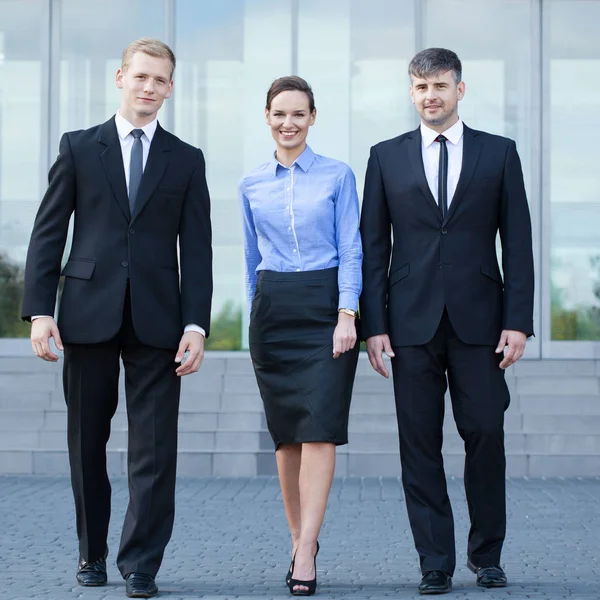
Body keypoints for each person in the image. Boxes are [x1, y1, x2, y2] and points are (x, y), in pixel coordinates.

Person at [21, 38, 212, 599]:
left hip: (160, 320)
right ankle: (92, 553)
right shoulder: (80, 147)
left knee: (156, 448)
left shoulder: (187, 158)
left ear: (171, 88)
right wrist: (39, 311)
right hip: (86, 314)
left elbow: (196, 250)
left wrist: (196, 325)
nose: (150, 87)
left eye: (161, 80)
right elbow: (48, 231)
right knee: (86, 443)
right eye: (142, 76)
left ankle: (142, 562)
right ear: (121, 77)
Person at [360, 48, 534, 595]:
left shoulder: (499, 153)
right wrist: (375, 323)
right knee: (419, 444)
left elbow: (519, 242)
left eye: (438, 85)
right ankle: (434, 559)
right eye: (419, 87)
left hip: (481, 324)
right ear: (410, 93)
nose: (429, 96)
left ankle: (487, 556)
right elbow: (372, 247)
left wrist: (519, 320)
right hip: (409, 325)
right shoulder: (385, 157)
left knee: (486, 433)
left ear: (461, 89)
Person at [239, 75, 362, 596]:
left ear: (313, 118)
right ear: (267, 117)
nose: (289, 122)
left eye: (299, 114)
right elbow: (250, 258)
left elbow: (352, 248)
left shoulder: (337, 176)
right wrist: (254, 316)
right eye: (279, 113)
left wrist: (347, 313)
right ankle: (296, 539)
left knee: (320, 427)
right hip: (274, 310)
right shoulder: (250, 184)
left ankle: (308, 547)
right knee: (287, 434)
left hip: (324, 305)